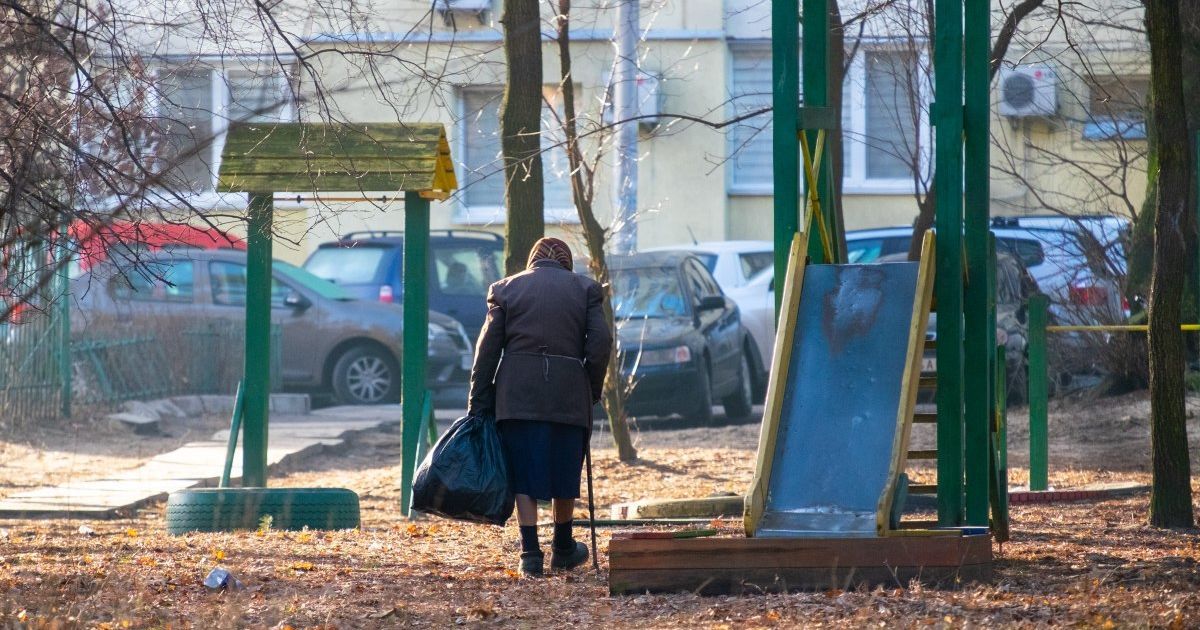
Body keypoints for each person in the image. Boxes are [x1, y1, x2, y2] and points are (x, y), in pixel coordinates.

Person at [467, 237, 611, 577]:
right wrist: (590, 387)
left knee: (523, 472)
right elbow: (601, 342)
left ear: (532, 260)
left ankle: (530, 554)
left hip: (517, 395)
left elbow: (487, 350)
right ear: (566, 263)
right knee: (565, 467)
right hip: (568, 393)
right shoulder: (586, 289)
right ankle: (563, 547)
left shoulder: (504, 289)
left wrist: (479, 401)